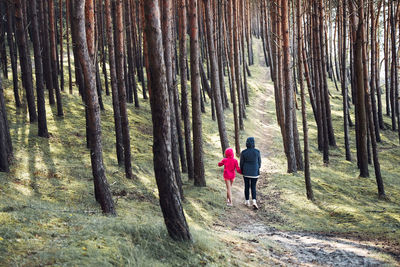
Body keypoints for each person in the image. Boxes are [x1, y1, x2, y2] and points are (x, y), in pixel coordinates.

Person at [240, 137, 261, 210]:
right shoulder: (257, 152)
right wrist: (257, 168)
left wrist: (242, 170)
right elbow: (259, 162)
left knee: (246, 186)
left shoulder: (243, 152)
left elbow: (241, 163)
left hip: (246, 172)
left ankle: (247, 201)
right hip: (255, 172)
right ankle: (254, 201)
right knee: (253, 187)